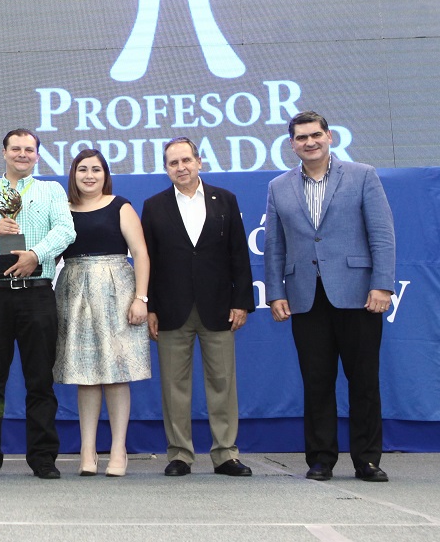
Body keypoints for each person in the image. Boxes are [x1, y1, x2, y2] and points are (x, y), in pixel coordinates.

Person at [265, 111, 396, 482]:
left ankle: (367, 460)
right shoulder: (278, 186)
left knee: (364, 381)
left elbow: (382, 236)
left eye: (316, 135)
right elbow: (275, 246)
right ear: (291, 144)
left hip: (359, 294)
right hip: (306, 297)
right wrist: (275, 292)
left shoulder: (363, 176)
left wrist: (382, 284)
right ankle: (320, 459)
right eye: (301, 137)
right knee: (316, 382)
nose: (310, 142)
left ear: (330, 137)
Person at [141, 138, 254, 478]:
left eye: (186, 160)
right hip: (171, 308)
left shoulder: (225, 200)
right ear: (166, 169)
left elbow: (239, 255)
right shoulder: (154, 205)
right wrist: (149, 306)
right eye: (173, 163)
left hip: (218, 306)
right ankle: (180, 454)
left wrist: (241, 302)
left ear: (199, 162)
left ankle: (226, 454)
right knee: (174, 385)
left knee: (222, 382)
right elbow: (149, 260)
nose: (181, 167)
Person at [0, 129, 76, 480]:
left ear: (38, 155)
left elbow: (66, 231)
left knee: (40, 380)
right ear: (4, 153)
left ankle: (43, 457)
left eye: (30, 149)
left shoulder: (52, 190)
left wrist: (35, 255)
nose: (23, 154)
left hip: (37, 292)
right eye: (16, 148)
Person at [54, 148, 151, 478]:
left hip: (116, 291)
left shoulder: (120, 205)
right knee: (85, 374)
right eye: (83, 169)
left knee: (116, 372)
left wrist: (141, 298)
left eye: (96, 169)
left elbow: (140, 252)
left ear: (105, 174)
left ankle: (119, 449)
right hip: (74, 291)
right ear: (73, 174)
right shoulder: (63, 210)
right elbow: (51, 254)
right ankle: (87, 450)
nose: (89, 175)